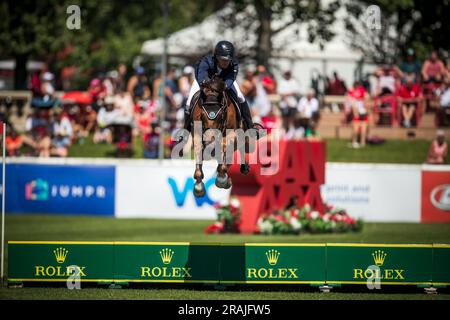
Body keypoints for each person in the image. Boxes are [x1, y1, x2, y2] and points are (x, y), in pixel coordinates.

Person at [183, 40, 261, 132]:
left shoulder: (234, 64)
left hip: (223, 82)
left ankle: (249, 126)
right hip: (205, 82)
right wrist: (212, 86)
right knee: (188, 103)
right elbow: (201, 78)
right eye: (223, 60)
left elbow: (230, 79)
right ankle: (186, 130)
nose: (225, 62)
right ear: (216, 57)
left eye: (228, 60)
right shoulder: (205, 61)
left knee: (240, 97)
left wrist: (224, 86)